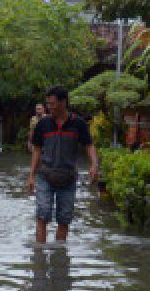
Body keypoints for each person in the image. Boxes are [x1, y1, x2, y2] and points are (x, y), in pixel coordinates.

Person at [26, 86, 98, 242]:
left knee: (64, 219)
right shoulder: (43, 124)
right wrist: (31, 176)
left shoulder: (78, 123)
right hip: (45, 176)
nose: (49, 107)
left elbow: (89, 145)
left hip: (68, 177)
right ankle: (40, 260)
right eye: (48, 104)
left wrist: (94, 164)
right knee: (42, 215)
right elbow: (37, 150)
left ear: (63, 102)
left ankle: (60, 259)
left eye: (52, 104)